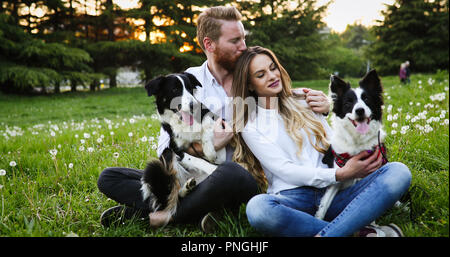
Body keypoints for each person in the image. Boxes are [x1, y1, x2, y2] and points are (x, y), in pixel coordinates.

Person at [97, 6, 332, 232]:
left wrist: (322, 103)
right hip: (194, 177)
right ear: (209, 44)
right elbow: (166, 149)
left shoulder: (252, 74)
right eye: (235, 41)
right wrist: (208, 145)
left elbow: (281, 92)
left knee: (230, 173)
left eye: (243, 38)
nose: (243, 46)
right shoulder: (187, 82)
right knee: (110, 177)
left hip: (237, 179)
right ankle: (199, 210)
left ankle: (166, 216)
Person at [231, 46, 412, 237]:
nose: (272, 76)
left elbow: (332, 143)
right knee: (258, 209)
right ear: (250, 84)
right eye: (261, 74)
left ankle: (332, 232)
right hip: (295, 200)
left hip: (335, 195)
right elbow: (285, 170)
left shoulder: (305, 99)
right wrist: (340, 174)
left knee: (398, 172)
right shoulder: (250, 125)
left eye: (273, 67)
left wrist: (331, 110)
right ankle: (354, 231)